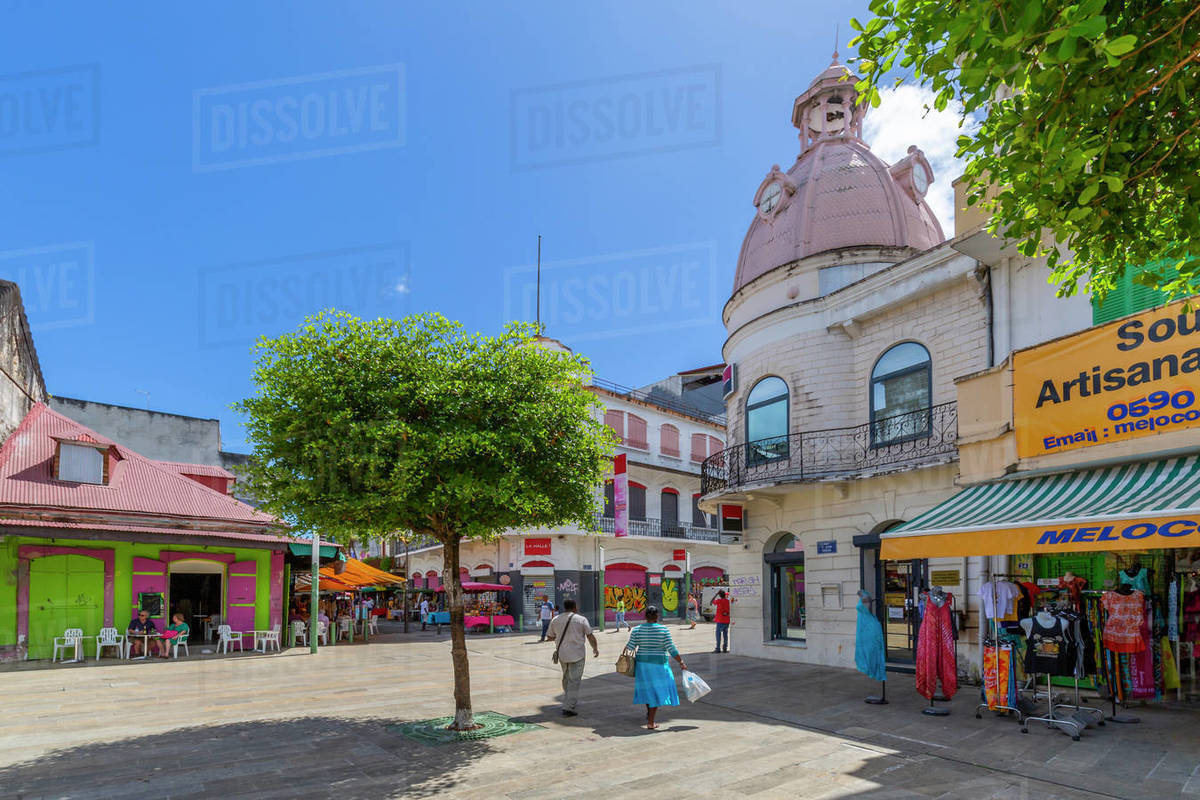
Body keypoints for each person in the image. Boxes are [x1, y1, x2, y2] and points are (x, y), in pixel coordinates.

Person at [625, 606, 687, 730]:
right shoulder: (663, 630)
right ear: (657, 616)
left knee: (649, 690)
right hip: (658, 666)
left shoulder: (637, 630)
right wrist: (681, 662)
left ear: (645, 616)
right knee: (656, 692)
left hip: (642, 666)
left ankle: (649, 714)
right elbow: (671, 648)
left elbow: (630, 647)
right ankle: (651, 722)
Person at [545, 599, 599, 717]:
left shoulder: (556, 620)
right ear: (575, 607)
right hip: (578, 655)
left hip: (562, 654)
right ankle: (568, 706)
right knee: (574, 680)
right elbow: (590, 636)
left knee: (566, 678)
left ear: (565, 607)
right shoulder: (581, 619)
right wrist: (595, 648)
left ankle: (569, 698)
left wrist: (559, 638)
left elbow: (549, 637)